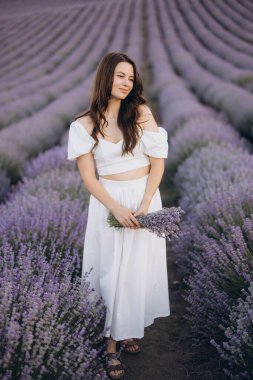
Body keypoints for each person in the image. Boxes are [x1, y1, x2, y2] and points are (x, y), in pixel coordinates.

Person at [67, 51, 170, 379]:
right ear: (105, 77)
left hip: (143, 199)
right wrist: (115, 206)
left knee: (134, 269)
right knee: (113, 271)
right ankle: (112, 347)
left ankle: (124, 332)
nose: (126, 82)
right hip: (108, 203)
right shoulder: (83, 125)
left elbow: (157, 163)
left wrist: (144, 202)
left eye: (130, 77)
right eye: (120, 76)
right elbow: (89, 178)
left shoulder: (140, 113)